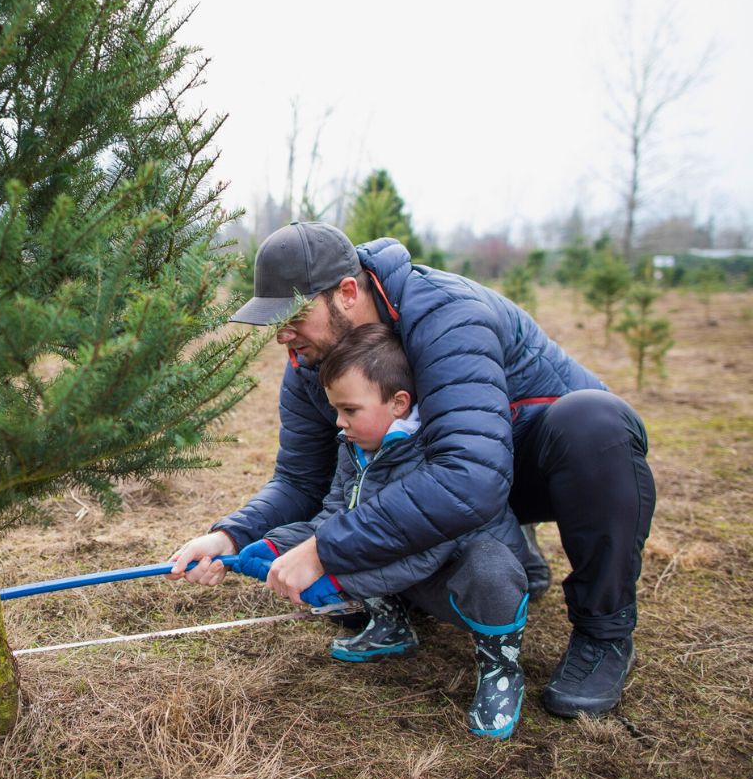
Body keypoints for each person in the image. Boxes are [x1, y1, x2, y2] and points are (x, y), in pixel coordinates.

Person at [170, 221, 655, 719]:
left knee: (594, 422)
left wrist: (326, 548)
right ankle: (504, 560)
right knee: (377, 565)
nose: (283, 336)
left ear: (348, 292)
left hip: (543, 463)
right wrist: (231, 535)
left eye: (294, 315)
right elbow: (301, 480)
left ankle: (604, 632)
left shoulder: (448, 315)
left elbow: (472, 476)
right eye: (276, 321)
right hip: (447, 478)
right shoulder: (311, 366)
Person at [241, 321, 531, 738]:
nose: (339, 423)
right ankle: (391, 628)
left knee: (490, 569)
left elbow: (418, 552)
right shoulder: (355, 447)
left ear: (398, 403)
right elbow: (334, 521)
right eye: (337, 410)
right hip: (410, 573)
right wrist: (270, 546)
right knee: (357, 530)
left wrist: (337, 581)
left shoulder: (433, 455)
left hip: (456, 577)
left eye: (350, 410)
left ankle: (501, 669)